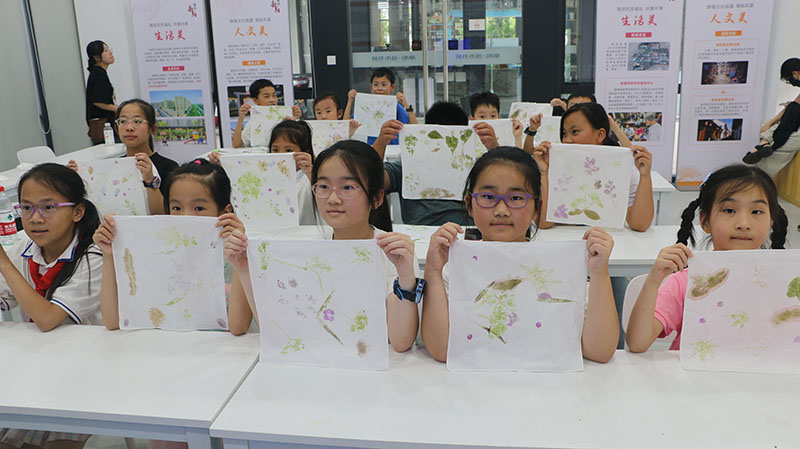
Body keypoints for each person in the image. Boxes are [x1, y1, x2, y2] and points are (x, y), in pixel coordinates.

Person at [420, 147, 619, 363]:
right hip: (476, 380)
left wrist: (599, 273)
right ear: (469, 204)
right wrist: (433, 270)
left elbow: (600, 352)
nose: (501, 210)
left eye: (516, 198)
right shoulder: (452, 270)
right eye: (488, 197)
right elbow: (441, 350)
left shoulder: (557, 271)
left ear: (537, 208)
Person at [93, 159, 241, 449]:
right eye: (176, 207)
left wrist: (240, 260)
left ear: (224, 213)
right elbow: (112, 321)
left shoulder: (233, 256)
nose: (185, 216)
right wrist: (110, 256)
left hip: (221, 377)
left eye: (199, 208)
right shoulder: (153, 255)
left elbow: (238, 326)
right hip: (165, 371)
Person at [222, 141, 421, 351]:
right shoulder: (304, 251)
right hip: (313, 362)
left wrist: (406, 278)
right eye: (324, 187)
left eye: (347, 187)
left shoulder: (393, 256)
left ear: (377, 197)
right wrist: (244, 269)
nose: (333, 199)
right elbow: (279, 329)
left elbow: (400, 342)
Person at [626, 165, 788, 352]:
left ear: (771, 220)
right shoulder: (687, 282)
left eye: (756, 212)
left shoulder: (782, 283)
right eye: (729, 210)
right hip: (690, 371)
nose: (744, 224)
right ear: (705, 221)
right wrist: (653, 280)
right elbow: (637, 343)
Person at [0, 164, 103, 449]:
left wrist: (3, 264)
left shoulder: (94, 256)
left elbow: (47, 319)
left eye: (48, 207)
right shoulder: (22, 249)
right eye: (26, 208)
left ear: (77, 211)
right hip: (37, 365)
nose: (35, 218)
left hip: (89, 371)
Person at [372, 101, 500, 225]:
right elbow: (373, 179)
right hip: (421, 235)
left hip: (465, 233)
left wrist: (494, 148)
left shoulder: (475, 166)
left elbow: (505, 182)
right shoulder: (408, 165)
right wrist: (381, 142)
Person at [533, 103, 654, 232]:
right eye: (564, 133)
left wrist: (645, 175)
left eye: (575, 132)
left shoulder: (620, 169)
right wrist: (544, 172)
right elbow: (543, 223)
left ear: (600, 135)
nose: (567, 140)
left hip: (610, 241)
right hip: (565, 241)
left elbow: (639, 224)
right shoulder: (555, 167)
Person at [70, 99, 178, 215]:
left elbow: (167, 215)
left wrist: (150, 181)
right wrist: (76, 178)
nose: (129, 127)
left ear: (152, 129)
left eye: (137, 121)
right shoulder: (111, 167)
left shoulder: (169, 167)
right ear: (117, 128)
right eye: (123, 121)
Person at [210, 120, 316, 225]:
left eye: (288, 150)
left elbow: (319, 193)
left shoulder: (307, 178)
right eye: (275, 150)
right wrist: (224, 164)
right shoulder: (263, 174)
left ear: (305, 153)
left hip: (301, 232)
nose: (280, 155)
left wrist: (310, 172)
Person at [742, 58, 800, 177]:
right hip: (792, 123)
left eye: (789, 80)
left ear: (795, 74)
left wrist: (769, 124)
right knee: (775, 124)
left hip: (795, 128)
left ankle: (763, 145)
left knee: (775, 151)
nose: (791, 83)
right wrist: (769, 124)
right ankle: (764, 143)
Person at [343, 68, 419, 145]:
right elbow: (345, 126)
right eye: (375, 85)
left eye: (384, 85)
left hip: (391, 148)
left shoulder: (395, 106)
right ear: (371, 87)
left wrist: (406, 104)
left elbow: (414, 127)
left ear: (392, 87)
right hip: (370, 147)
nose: (379, 88)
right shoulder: (366, 104)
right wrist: (350, 101)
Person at [233, 79, 303, 148]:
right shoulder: (254, 122)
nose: (272, 100)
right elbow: (236, 145)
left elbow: (300, 140)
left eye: (274, 95)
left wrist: (296, 119)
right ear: (255, 100)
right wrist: (241, 118)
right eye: (266, 96)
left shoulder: (286, 117)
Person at [85, 40, 117, 145]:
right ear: (97, 57)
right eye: (106, 51)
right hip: (104, 125)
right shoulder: (99, 73)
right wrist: (118, 108)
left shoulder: (98, 72)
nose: (110, 53)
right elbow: (97, 101)